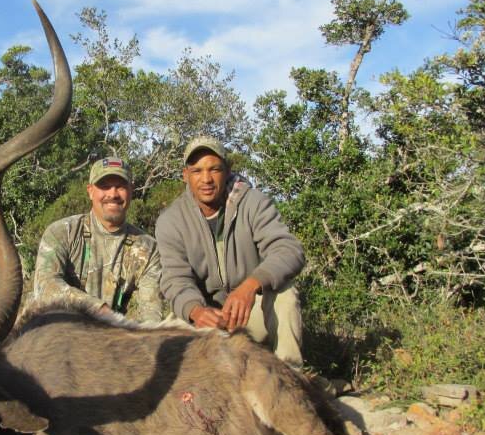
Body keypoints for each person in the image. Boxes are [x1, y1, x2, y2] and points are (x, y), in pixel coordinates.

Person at [156, 136, 305, 364]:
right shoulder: (171, 220)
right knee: (166, 333)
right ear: (185, 175)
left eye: (214, 169)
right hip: (207, 322)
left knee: (285, 295)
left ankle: (291, 377)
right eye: (197, 171)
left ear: (227, 170)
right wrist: (196, 311)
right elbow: (175, 280)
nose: (206, 179)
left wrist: (249, 286)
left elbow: (288, 250)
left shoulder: (253, 202)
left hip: (248, 315)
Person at [32, 157, 163, 323]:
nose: (113, 194)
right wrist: (98, 308)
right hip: (55, 330)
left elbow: (151, 314)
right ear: (90, 191)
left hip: (108, 336)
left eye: (120, 186)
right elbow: (46, 286)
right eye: (104, 186)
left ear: (131, 190)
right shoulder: (62, 232)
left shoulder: (148, 247)